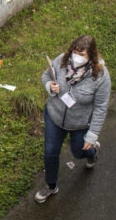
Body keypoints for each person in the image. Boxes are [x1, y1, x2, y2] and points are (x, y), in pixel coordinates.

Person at [35, 35, 111, 203]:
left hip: (80, 123)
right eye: (74, 52)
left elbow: (100, 107)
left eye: (82, 55)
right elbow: (46, 76)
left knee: (79, 151)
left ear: (91, 55)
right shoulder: (61, 60)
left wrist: (92, 136)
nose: (76, 57)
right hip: (54, 116)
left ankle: (92, 152)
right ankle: (51, 185)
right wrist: (49, 86)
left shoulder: (101, 76)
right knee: (50, 152)